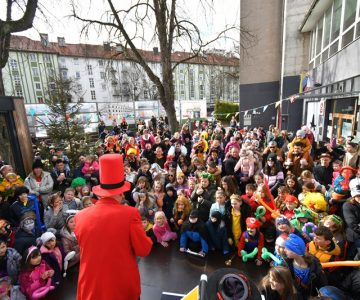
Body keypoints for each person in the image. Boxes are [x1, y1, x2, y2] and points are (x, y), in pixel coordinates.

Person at [74, 154, 152, 300]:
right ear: (121, 192)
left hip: (90, 287)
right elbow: (143, 249)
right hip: (120, 285)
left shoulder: (80, 216)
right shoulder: (130, 214)